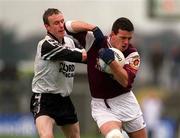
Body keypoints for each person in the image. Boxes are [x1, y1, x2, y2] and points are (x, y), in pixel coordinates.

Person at [64, 17, 148, 138]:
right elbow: (68, 26)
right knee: (114, 136)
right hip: (102, 105)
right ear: (112, 34)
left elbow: (125, 81)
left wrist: (111, 62)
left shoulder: (132, 54)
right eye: (123, 37)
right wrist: (93, 28)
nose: (126, 42)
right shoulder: (95, 41)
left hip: (125, 102)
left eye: (129, 38)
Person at [30, 8, 87, 138]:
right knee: (47, 136)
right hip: (44, 98)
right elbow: (73, 55)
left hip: (64, 99)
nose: (61, 25)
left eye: (62, 21)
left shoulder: (70, 42)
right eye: (56, 23)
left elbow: (87, 57)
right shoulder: (45, 45)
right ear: (47, 27)